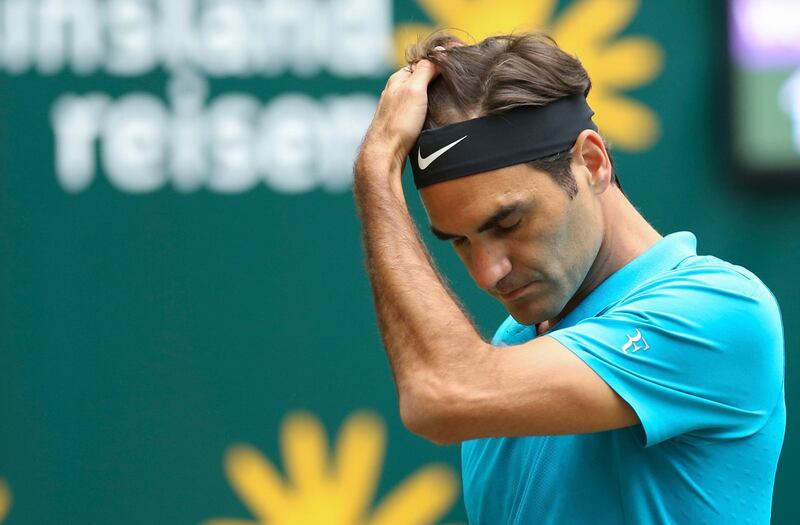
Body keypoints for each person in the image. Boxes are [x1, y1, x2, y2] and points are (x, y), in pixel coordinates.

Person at [352, 32, 785, 524]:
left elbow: (441, 393)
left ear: (593, 163)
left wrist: (376, 170)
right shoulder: (512, 343)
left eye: (508, 223)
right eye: (460, 241)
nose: (487, 272)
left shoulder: (719, 311)